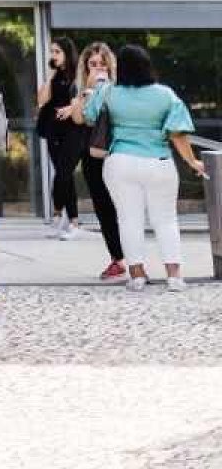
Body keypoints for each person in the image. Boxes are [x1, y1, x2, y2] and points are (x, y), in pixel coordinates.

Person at [82, 44, 207, 292]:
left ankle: (137, 275)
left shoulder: (108, 93)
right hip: (158, 162)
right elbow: (177, 133)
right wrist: (192, 161)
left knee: (128, 219)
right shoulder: (165, 95)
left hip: (120, 162)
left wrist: (92, 85)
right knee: (166, 220)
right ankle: (174, 276)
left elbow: (89, 115)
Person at [64, 42, 126, 281]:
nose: (98, 69)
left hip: (117, 153)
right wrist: (85, 93)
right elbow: (80, 120)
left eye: (102, 64)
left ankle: (133, 258)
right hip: (92, 154)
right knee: (103, 207)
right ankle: (117, 258)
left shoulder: (119, 89)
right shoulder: (79, 89)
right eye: (93, 64)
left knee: (123, 205)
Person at [37, 36, 83, 239]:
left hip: (73, 129)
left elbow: (83, 98)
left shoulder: (78, 75)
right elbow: (41, 101)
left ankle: (68, 218)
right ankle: (67, 218)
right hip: (53, 129)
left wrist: (71, 108)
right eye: (52, 51)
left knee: (64, 173)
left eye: (57, 52)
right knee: (63, 174)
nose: (53, 55)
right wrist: (50, 75)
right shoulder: (54, 77)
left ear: (67, 53)